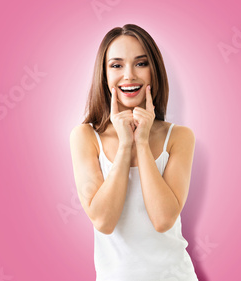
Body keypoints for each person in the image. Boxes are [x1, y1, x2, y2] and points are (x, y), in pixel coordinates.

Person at [70, 23, 198, 281]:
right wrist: (125, 144)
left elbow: (163, 220)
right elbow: (104, 221)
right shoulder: (86, 137)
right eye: (116, 65)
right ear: (104, 75)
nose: (129, 75)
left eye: (141, 63)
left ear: (154, 71)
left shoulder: (180, 137)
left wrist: (141, 141)